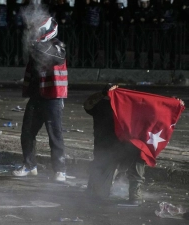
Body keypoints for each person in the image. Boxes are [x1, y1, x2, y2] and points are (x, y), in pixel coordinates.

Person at [12, 17, 71, 182]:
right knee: (27, 133)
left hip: (53, 97)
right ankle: (29, 165)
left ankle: (60, 170)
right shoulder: (36, 46)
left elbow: (54, 57)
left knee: (55, 135)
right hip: (37, 96)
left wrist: (36, 45)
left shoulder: (58, 46)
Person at [83, 85, 146, 204]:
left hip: (127, 149)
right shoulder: (101, 105)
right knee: (98, 195)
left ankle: (135, 192)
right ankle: (95, 185)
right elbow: (87, 105)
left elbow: (156, 109)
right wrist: (102, 93)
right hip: (107, 152)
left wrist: (173, 104)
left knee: (141, 151)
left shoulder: (130, 106)